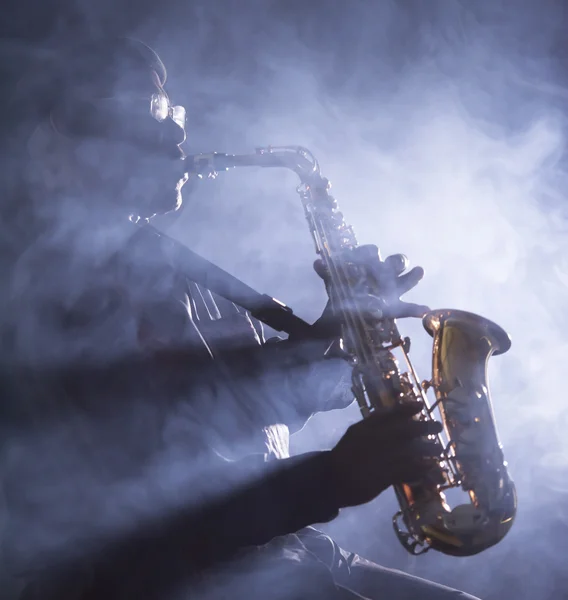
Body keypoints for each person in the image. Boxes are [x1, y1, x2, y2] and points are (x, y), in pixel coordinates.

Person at [0, 37, 481, 599]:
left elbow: (235, 409)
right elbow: (150, 515)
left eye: (168, 111)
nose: (177, 133)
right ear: (63, 147)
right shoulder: (57, 291)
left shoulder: (161, 264)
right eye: (140, 116)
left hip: (270, 546)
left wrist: (344, 327)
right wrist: (333, 477)